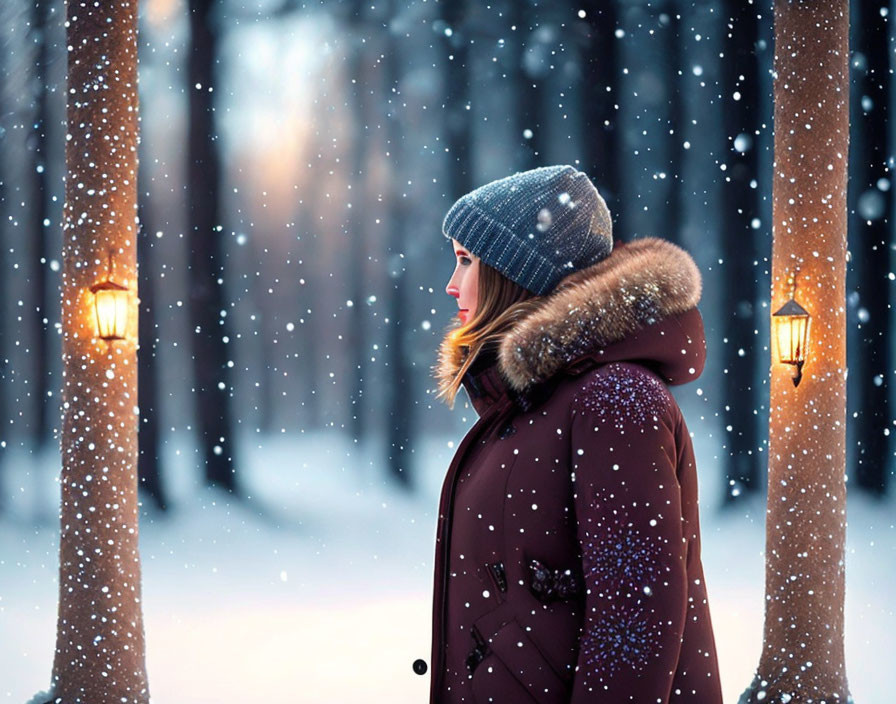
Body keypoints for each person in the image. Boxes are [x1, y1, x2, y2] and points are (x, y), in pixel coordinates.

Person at [425, 165, 723, 703]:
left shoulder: (613, 399)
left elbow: (635, 616)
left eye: (467, 262)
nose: (452, 285)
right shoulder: (534, 402)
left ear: (516, 273)